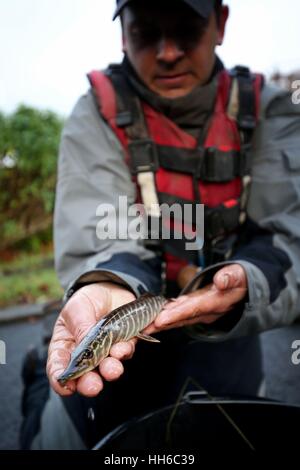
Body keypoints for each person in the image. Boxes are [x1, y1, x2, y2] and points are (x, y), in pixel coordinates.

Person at [21, 0, 300, 450]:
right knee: (56, 435)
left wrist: (243, 283)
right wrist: (108, 282)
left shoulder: (272, 110)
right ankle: (40, 376)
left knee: (229, 437)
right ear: (122, 34)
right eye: (146, 32)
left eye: (186, 29)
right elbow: (99, 228)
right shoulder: (95, 112)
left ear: (221, 23)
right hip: (134, 309)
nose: (167, 52)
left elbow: (291, 238)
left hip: (226, 325)